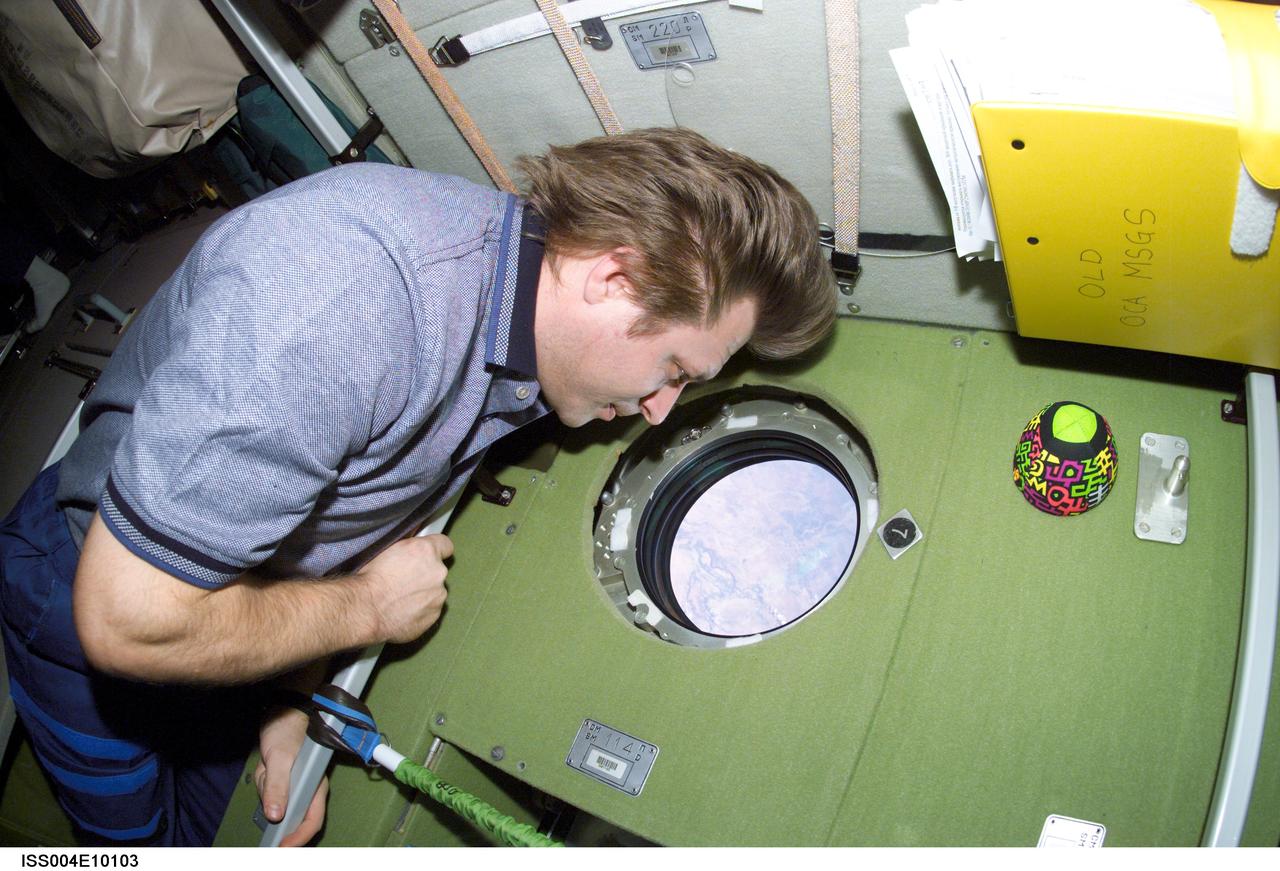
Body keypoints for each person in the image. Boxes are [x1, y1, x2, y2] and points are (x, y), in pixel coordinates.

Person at [0, 127, 835, 846]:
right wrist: (366, 609)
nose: (659, 410)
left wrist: (295, 692)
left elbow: (350, 498)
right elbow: (127, 623)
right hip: (84, 595)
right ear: (614, 280)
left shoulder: (520, 313)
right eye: (675, 369)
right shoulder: (354, 300)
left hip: (244, 600)